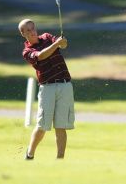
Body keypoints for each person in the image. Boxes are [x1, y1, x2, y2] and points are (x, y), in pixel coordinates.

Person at [18, 18, 75, 160]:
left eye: (33, 28)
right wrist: (57, 44)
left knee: (61, 126)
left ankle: (60, 159)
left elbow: (63, 45)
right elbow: (42, 55)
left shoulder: (47, 37)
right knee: (42, 125)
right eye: (28, 30)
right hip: (47, 88)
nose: (32, 32)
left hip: (65, 85)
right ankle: (30, 153)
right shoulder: (27, 51)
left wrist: (63, 42)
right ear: (23, 34)